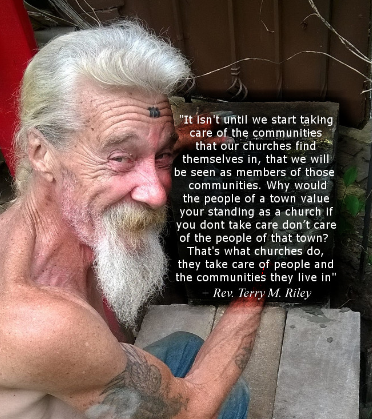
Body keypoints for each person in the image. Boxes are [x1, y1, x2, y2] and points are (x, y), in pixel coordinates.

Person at [0, 21, 265, 418]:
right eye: (120, 157)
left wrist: (179, 136)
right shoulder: (39, 319)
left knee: (186, 346)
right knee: (230, 397)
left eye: (162, 155)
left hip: (73, 374)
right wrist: (259, 285)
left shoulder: (52, 202)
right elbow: (191, 410)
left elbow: (130, 130)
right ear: (42, 152)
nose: (157, 192)